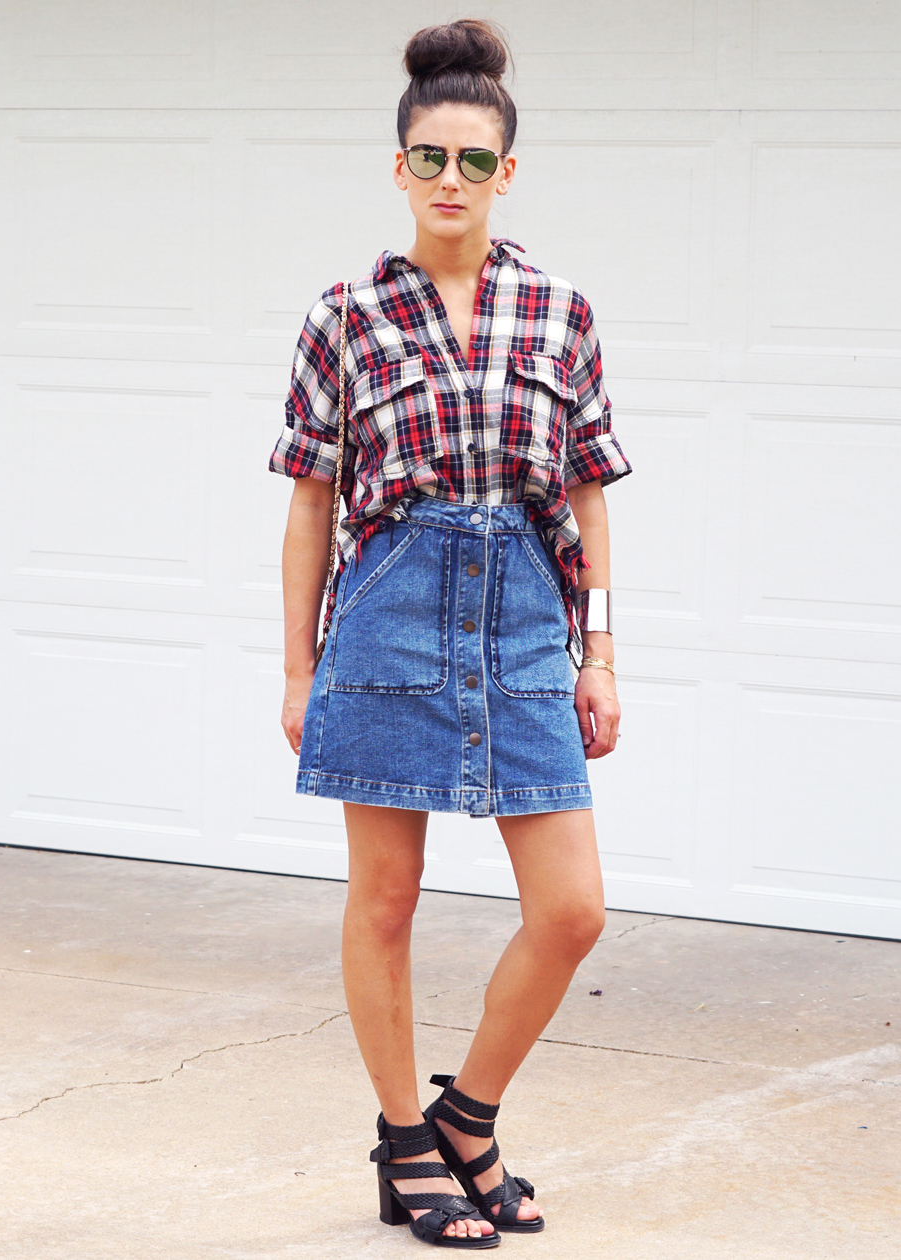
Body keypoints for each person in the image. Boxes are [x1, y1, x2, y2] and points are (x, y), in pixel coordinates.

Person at [269, 18, 631, 1249]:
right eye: (429, 157)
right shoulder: (344, 315)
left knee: (571, 908)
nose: (449, 181)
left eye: (473, 162)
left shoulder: (559, 310)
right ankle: (398, 1141)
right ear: (399, 165)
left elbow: (583, 493)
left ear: (505, 173)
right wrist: (298, 666)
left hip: (527, 610)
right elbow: (311, 499)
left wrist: (600, 650)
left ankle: (466, 1116)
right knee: (385, 898)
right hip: (387, 610)